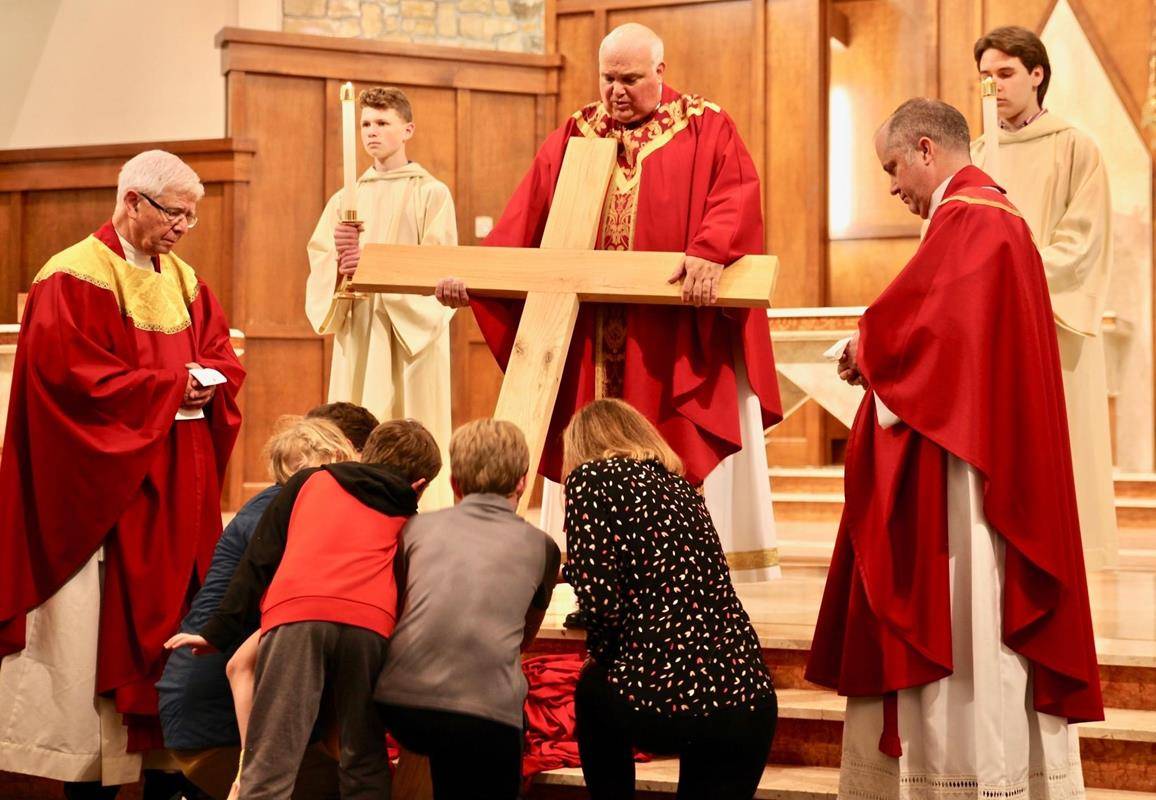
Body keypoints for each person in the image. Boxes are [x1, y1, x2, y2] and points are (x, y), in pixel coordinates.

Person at [807, 99, 1102, 799]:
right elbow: (942, 328)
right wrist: (875, 350)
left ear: (925, 148)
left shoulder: (972, 220)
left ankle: (968, 778)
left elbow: (933, 335)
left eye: (892, 167)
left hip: (967, 474)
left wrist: (864, 348)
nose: (891, 186)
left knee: (970, 616)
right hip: (977, 446)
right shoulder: (988, 218)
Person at [434, 23, 783, 581]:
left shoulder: (705, 125)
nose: (617, 91)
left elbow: (735, 195)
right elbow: (522, 221)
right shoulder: (576, 132)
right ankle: (596, 569)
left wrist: (709, 251)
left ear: (661, 73)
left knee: (668, 440)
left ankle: (679, 565)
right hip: (589, 334)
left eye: (631, 79)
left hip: (663, 337)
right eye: (608, 79)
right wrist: (472, 278)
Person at [0, 150, 245, 797]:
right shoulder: (72, 276)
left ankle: (173, 765)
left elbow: (220, 352)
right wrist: (171, 387)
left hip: (179, 493)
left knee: (183, 618)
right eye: (174, 213)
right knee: (98, 635)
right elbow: (69, 381)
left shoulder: (187, 281)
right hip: (110, 496)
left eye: (192, 216)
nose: (184, 227)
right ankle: (99, 774)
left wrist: (211, 380)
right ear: (132, 201)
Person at [166, 418, 441, 800]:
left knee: (272, 758)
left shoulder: (311, 481)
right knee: (363, 755)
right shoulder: (410, 519)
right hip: (369, 623)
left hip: (296, 615)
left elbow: (261, 556)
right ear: (420, 485)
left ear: (366, 451)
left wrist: (219, 631)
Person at [560, 398, 777, 799]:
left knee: (592, 688)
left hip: (666, 698)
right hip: (748, 697)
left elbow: (602, 604)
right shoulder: (681, 485)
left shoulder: (589, 478)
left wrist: (604, 652)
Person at [157, 412, 366, 798]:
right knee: (353, 786)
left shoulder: (279, 506)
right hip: (214, 720)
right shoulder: (284, 518)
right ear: (339, 455)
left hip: (207, 701)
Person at [972, 25, 1117, 569]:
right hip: (991, 324)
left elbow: (1083, 240)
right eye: (985, 78)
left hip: (1052, 318)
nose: (996, 86)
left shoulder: (1076, 146)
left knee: (1064, 443)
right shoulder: (979, 155)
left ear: (1037, 74)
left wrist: (1017, 278)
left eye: (1006, 73)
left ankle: (1068, 556)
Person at [375, 418, 560, 800]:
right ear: (523, 480)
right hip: (484, 716)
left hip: (400, 704)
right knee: (482, 718)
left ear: (454, 482)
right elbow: (525, 636)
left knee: (451, 744)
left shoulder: (416, 530)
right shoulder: (541, 547)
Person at [306, 86, 458, 511]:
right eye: (365, 124)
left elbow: (439, 265)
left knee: (410, 420)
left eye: (382, 123)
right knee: (357, 415)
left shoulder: (431, 193)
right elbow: (322, 263)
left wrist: (370, 264)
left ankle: (421, 509)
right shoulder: (346, 198)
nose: (371, 133)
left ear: (407, 129)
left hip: (408, 333)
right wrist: (340, 261)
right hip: (360, 328)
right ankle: (354, 506)